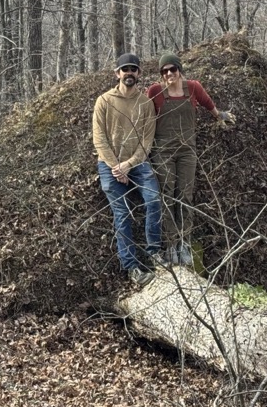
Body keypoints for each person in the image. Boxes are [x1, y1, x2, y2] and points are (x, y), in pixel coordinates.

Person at [147, 53, 235, 266]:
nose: (169, 74)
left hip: (187, 151)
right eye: (165, 71)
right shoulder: (155, 91)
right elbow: (144, 116)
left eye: (173, 69)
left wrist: (220, 116)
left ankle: (184, 242)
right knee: (166, 195)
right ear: (161, 74)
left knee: (184, 195)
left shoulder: (193, 87)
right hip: (162, 151)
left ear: (179, 69)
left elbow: (208, 104)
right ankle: (169, 245)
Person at [92, 53, 165, 286]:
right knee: (122, 213)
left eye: (133, 69)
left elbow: (147, 141)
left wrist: (128, 164)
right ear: (117, 73)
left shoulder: (145, 103)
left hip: (137, 163)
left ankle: (155, 252)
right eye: (125, 69)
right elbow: (99, 138)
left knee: (153, 200)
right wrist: (116, 166)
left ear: (139, 73)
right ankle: (132, 267)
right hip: (109, 165)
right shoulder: (104, 101)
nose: (129, 73)